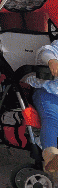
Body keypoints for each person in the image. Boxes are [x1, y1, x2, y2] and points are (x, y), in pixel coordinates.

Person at [27, 41, 58, 175]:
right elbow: (46, 51)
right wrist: (51, 60)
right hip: (48, 91)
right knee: (51, 119)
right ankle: (51, 158)